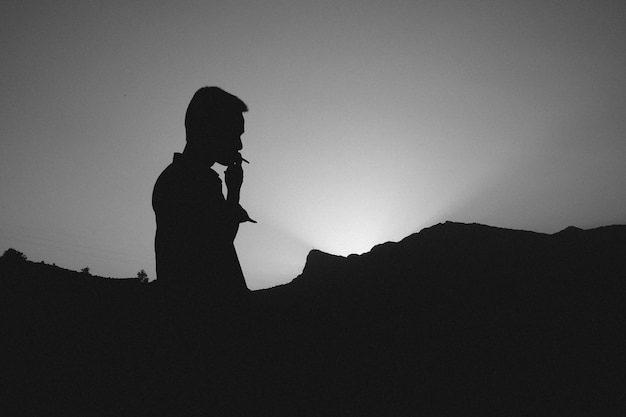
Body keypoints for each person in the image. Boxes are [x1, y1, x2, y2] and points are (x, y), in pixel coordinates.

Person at [152, 87, 255, 299]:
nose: (239, 145)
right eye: (234, 134)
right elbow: (217, 247)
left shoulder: (188, 178)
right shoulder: (187, 182)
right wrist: (233, 193)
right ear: (210, 130)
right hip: (198, 316)